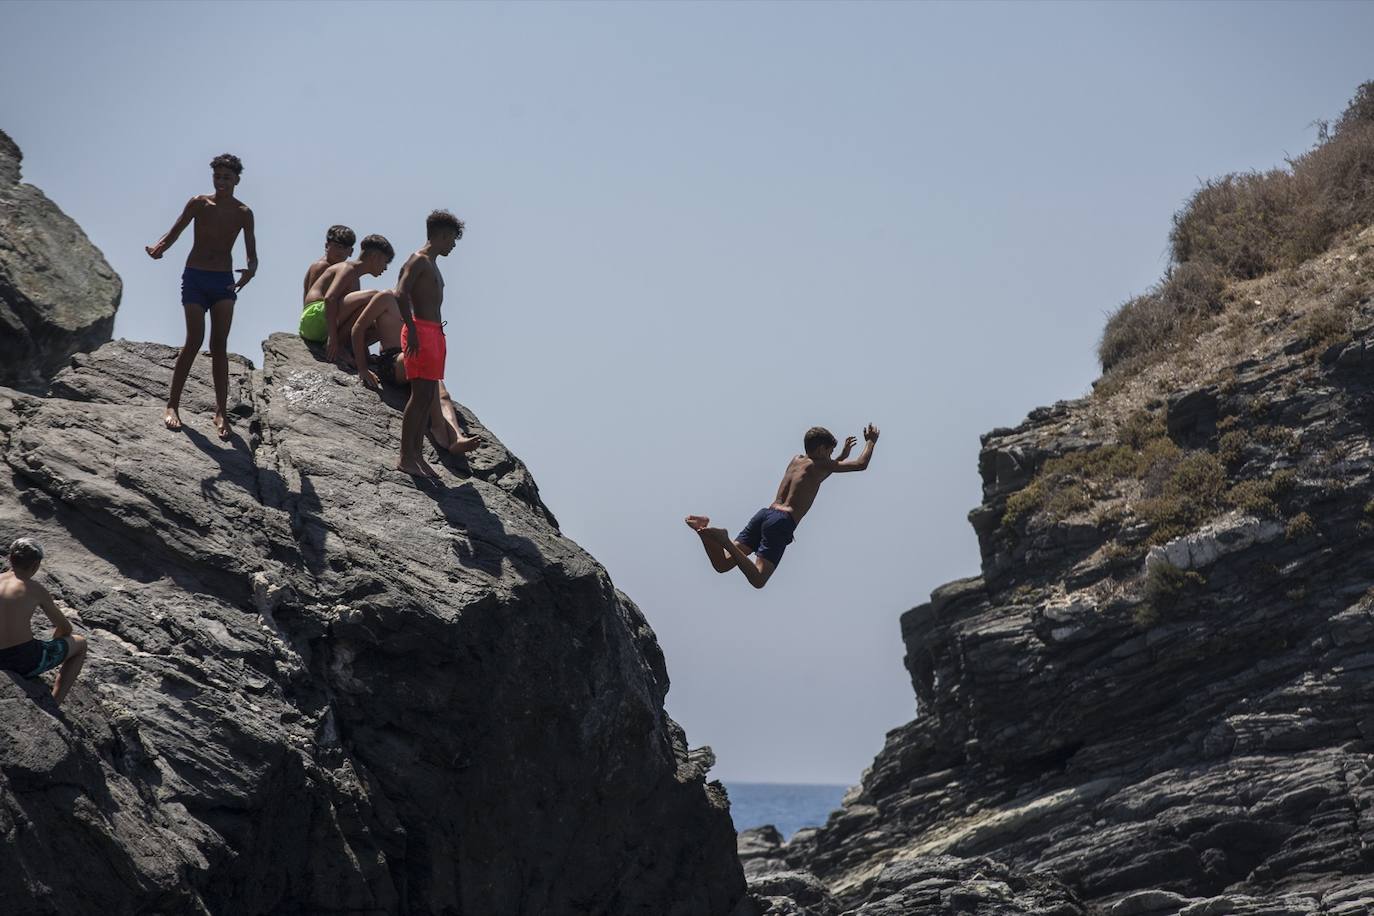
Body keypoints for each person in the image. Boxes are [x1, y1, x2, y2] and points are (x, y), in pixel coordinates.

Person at [146, 152, 258, 440]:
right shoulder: (199, 203)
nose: (221, 182)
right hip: (195, 276)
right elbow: (176, 230)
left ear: (237, 180)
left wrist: (249, 272)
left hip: (223, 282)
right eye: (218, 176)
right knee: (193, 340)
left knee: (219, 345)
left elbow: (251, 254)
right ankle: (172, 405)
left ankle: (221, 411)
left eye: (227, 178)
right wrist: (159, 247)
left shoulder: (243, 213)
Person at [686, 424, 880, 588]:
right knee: (759, 579)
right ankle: (724, 539)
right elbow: (861, 464)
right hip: (781, 523)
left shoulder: (797, 460)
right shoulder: (821, 465)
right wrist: (870, 441)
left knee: (722, 564)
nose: (830, 457)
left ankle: (703, 530)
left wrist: (838, 456)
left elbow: (818, 473)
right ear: (821, 449)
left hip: (766, 514)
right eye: (829, 452)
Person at [392, 209, 463, 477]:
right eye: (452, 239)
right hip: (419, 330)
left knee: (426, 398)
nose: (453, 245)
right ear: (442, 235)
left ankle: (418, 455)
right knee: (419, 396)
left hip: (434, 333)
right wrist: (411, 328)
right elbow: (400, 293)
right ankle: (405, 456)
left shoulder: (433, 264)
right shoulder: (418, 260)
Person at [0, 538, 87, 706]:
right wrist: (55, 642)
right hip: (26, 660)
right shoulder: (36, 590)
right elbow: (65, 628)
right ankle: (54, 702)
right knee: (81, 644)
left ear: (10, 558)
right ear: (36, 564)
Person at [298, 234, 395, 364]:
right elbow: (330, 299)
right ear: (375, 257)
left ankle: (353, 349)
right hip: (313, 320)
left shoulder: (355, 278)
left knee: (380, 318)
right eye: (385, 261)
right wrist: (333, 339)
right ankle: (340, 346)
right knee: (377, 296)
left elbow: (357, 316)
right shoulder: (347, 268)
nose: (386, 267)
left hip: (322, 326)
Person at [368, 347, 481, 456]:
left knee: (443, 395)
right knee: (424, 364)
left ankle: (457, 438)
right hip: (393, 361)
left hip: (415, 358)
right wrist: (363, 367)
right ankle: (437, 426)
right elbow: (358, 330)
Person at [302, 224, 355, 300]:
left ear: (351, 251)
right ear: (327, 246)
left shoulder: (342, 270)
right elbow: (313, 301)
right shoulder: (321, 266)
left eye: (345, 247)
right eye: (337, 246)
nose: (340, 251)